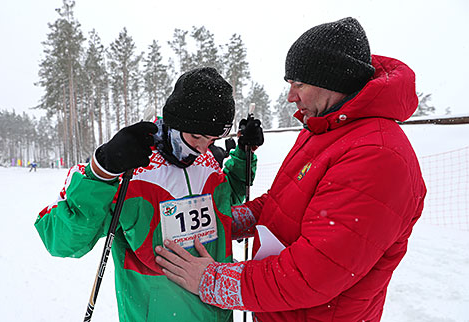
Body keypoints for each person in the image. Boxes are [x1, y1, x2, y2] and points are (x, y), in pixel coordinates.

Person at [155, 17, 427, 322]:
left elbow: (313, 274)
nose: (290, 97)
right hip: (281, 311)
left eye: (298, 84)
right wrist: (224, 222)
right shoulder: (325, 129)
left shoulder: (377, 156)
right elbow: (283, 204)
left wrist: (214, 281)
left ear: (331, 81)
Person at [35, 67, 264, 322]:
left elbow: (226, 201)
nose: (201, 148)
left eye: (211, 139)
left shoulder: (208, 161)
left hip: (216, 312)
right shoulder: (134, 166)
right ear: (174, 123)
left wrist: (244, 154)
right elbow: (63, 241)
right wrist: (102, 171)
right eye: (195, 136)